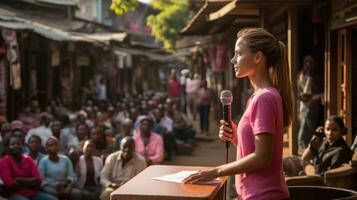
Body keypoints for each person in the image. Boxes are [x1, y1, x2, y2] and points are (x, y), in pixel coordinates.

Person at [183, 27, 295, 200]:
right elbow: (256, 151)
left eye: (239, 54)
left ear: (258, 57)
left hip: (263, 195)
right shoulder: (260, 96)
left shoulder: (264, 97)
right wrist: (236, 137)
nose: (233, 60)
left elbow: (262, 158)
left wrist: (216, 171)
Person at [0, 135, 57, 200]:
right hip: (14, 194)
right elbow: (9, 184)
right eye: (13, 144)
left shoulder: (28, 159)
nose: (16, 146)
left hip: (32, 193)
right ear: (8, 147)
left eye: (19, 144)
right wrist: (30, 182)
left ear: (23, 146)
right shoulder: (4, 162)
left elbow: (38, 180)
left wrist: (19, 180)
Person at [297, 55, 324, 152]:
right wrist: (301, 96)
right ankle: (302, 145)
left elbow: (320, 90)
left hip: (313, 103)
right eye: (306, 62)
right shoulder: (300, 74)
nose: (308, 64)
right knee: (302, 123)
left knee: (309, 124)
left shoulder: (316, 76)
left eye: (310, 62)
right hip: (302, 103)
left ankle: (307, 146)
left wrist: (312, 96)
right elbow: (297, 89)